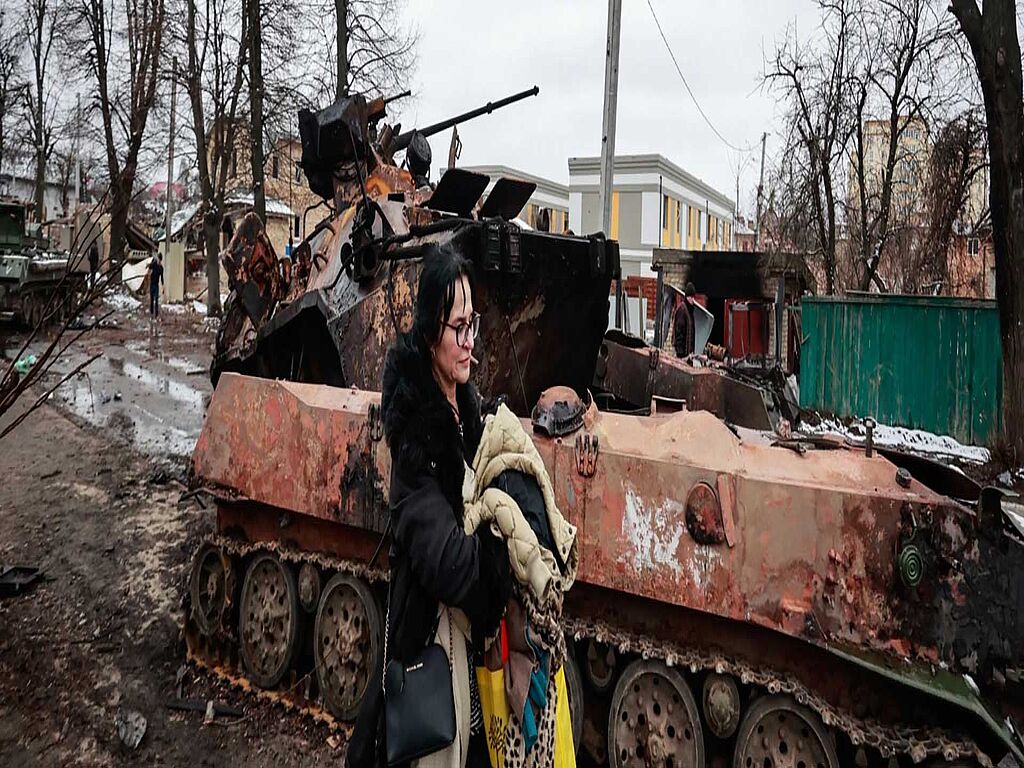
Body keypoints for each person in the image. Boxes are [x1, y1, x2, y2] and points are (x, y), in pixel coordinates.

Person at [348, 243, 510, 768]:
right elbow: (449, 565)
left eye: (473, 325)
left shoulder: (466, 409)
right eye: (458, 328)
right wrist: (500, 550)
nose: (470, 344)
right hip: (432, 647)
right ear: (428, 332)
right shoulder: (418, 434)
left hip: (469, 650)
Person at [673, 281, 697, 358]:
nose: (692, 300)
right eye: (691, 297)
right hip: (682, 353)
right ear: (687, 297)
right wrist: (680, 352)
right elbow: (679, 331)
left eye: (693, 297)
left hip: (688, 352)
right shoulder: (682, 310)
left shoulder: (690, 311)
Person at [146, 253, 164, 317]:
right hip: (152, 284)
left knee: (156, 299)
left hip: (156, 285)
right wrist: (148, 269)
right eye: (158, 259)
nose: (158, 261)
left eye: (159, 260)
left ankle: (156, 314)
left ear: (161, 260)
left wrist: (163, 286)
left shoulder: (161, 268)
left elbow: (162, 278)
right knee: (151, 300)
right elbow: (149, 267)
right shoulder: (154, 264)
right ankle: (151, 313)